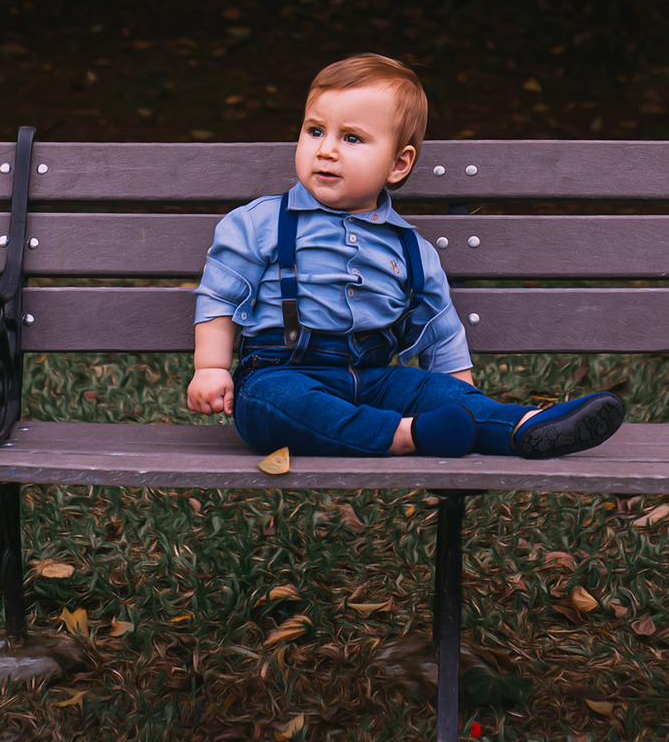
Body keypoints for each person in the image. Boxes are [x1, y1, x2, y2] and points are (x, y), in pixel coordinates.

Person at [186, 53, 625, 460]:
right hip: (283, 373)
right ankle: (406, 436)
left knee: (433, 392)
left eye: (352, 138)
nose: (326, 149)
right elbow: (221, 297)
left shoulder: (411, 249)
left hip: (375, 381)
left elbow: (440, 330)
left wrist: (457, 399)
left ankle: (525, 426)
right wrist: (210, 367)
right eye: (315, 130)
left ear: (398, 164)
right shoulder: (259, 222)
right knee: (275, 405)